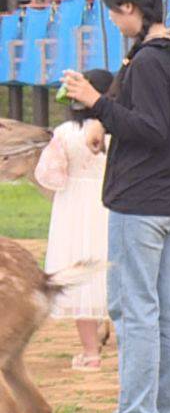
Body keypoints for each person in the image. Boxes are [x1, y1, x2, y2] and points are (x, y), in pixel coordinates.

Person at [62, 0, 170, 413]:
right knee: (167, 310)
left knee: (135, 311)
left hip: (140, 203)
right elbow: (149, 116)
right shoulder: (169, 55)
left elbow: (147, 128)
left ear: (130, 9)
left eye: (114, 11)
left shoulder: (148, 62)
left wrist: (95, 103)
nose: (113, 20)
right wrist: (102, 119)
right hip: (169, 202)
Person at [33, 69, 114, 372]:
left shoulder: (65, 132)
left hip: (74, 208)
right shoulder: (116, 131)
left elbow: (49, 176)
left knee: (82, 276)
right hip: (112, 200)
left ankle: (91, 354)